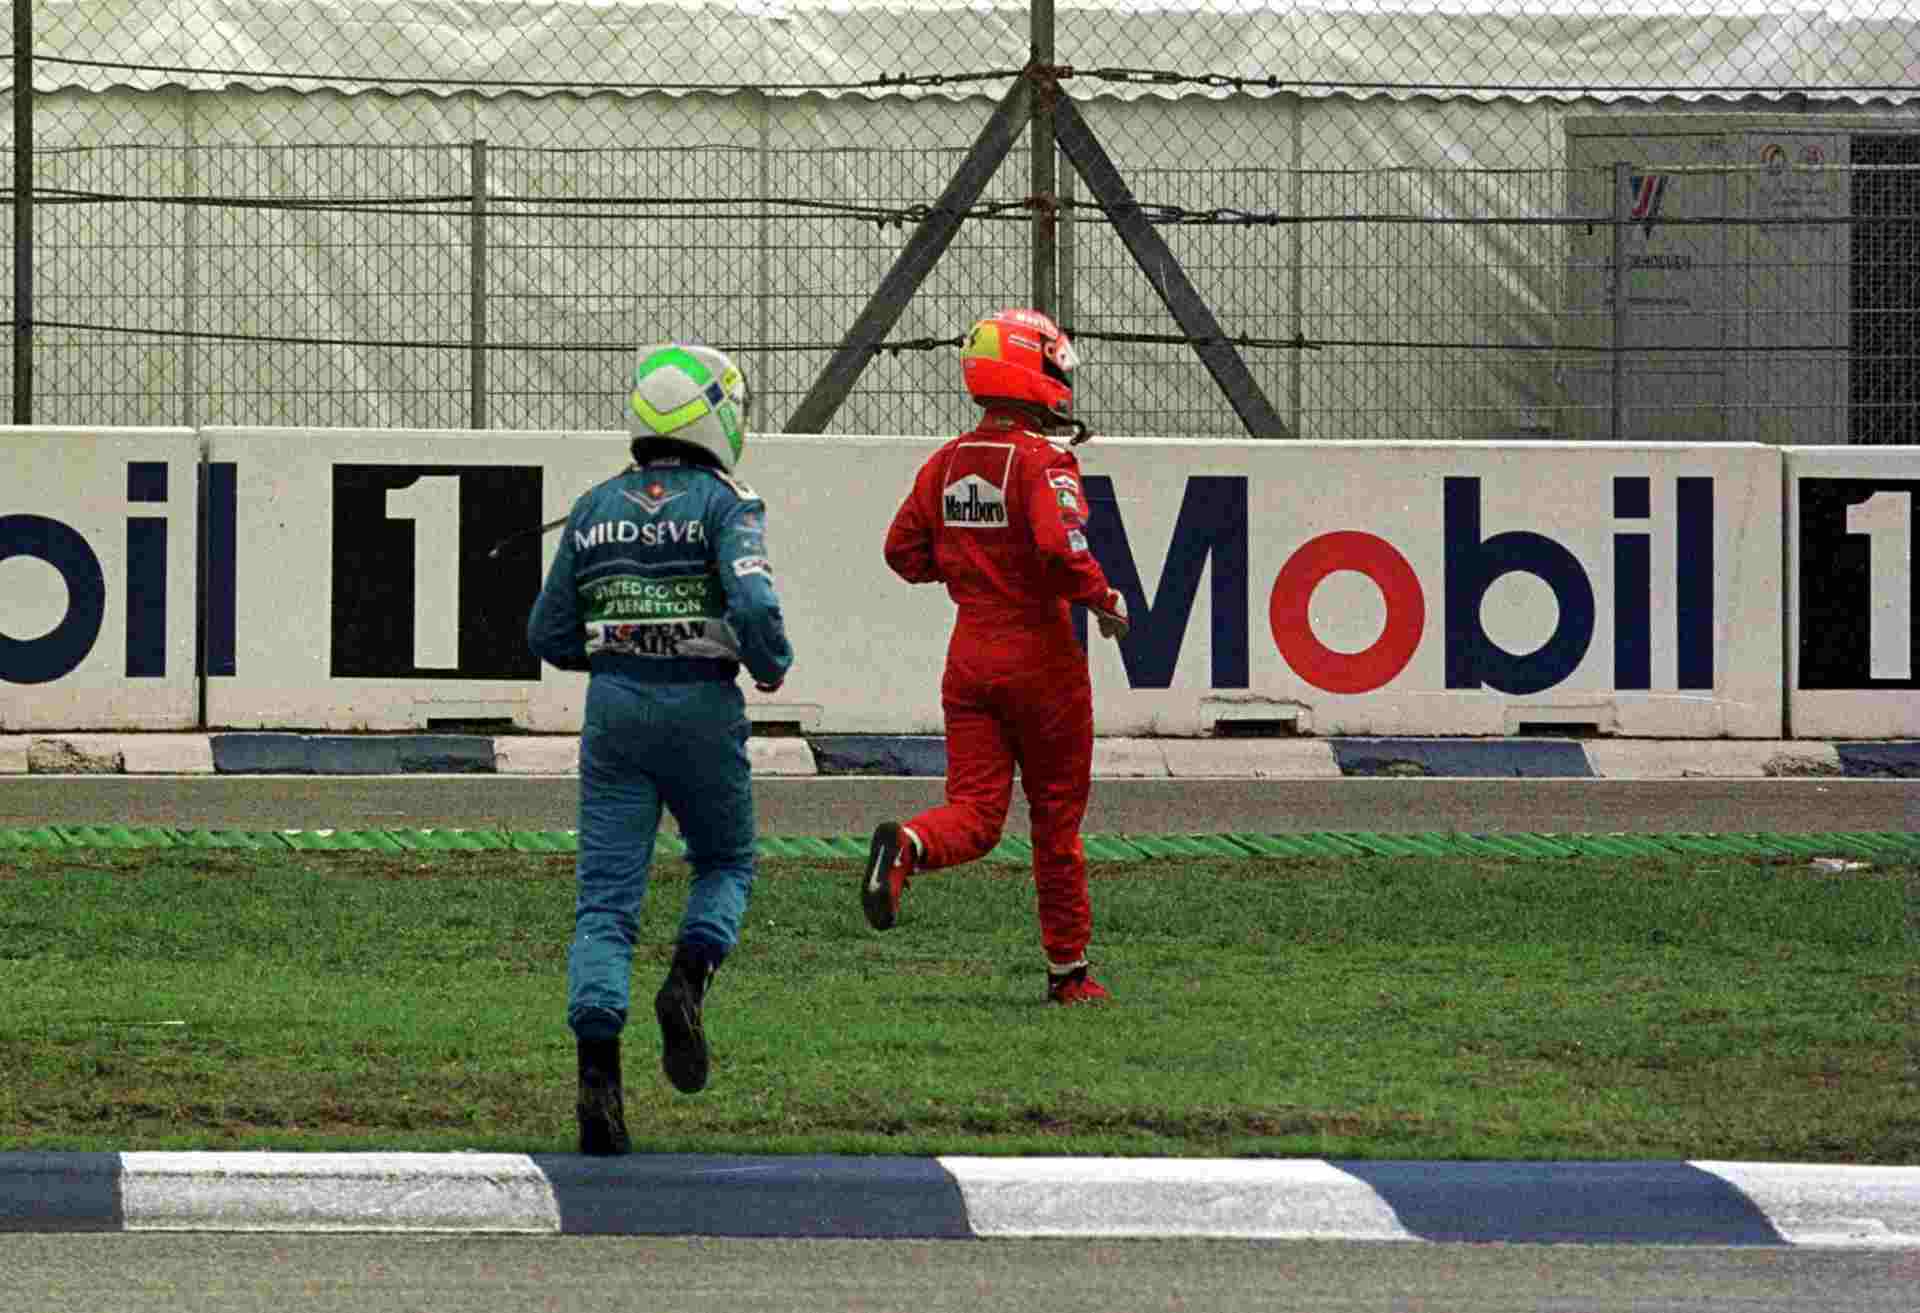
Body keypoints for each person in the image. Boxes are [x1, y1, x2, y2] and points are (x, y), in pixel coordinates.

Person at [528, 341, 792, 1155]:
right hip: (702, 708)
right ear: (713, 414)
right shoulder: (728, 504)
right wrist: (771, 661)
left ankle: (598, 1087)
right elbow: (751, 602)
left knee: (605, 906)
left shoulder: (593, 504)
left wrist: (616, 653)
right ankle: (687, 980)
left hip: (613, 709)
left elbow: (548, 633)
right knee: (727, 863)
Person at [865, 307, 1130, 1006]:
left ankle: (910, 844)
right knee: (1055, 820)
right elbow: (1062, 548)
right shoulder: (1047, 461)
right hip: (1042, 659)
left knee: (977, 814)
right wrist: (1104, 596)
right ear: (1029, 372)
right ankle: (1069, 972)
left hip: (970, 657)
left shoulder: (945, 461)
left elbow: (900, 550)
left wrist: (962, 573)